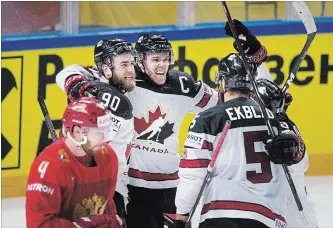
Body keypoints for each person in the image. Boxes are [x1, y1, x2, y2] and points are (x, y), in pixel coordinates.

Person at [173, 53, 303, 228]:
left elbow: (193, 176)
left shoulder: (207, 119)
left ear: (224, 82)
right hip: (268, 217)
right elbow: (297, 164)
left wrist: (181, 216)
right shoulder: (273, 119)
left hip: (223, 214)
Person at [56, 38, 137, 219]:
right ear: (106, 69)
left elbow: (67, 73)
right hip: (102, 191)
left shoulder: (97, 81)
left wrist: (77, 86)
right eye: (124, 65)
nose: (131, 70)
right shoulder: (115, 103)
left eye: (131, 63)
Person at [26, 97, 125, 228]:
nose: (103, 140)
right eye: (98, 133)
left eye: (105, 132)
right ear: (77, 132)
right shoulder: (50, 167)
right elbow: (39, 225)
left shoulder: (108, 156)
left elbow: (106, 205)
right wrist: (91, 224)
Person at [256, 78, 318, 228]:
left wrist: (294, 152)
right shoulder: (281, 123)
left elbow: (301, 162)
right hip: (297, 213)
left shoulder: (282, 127)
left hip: (289, 215)